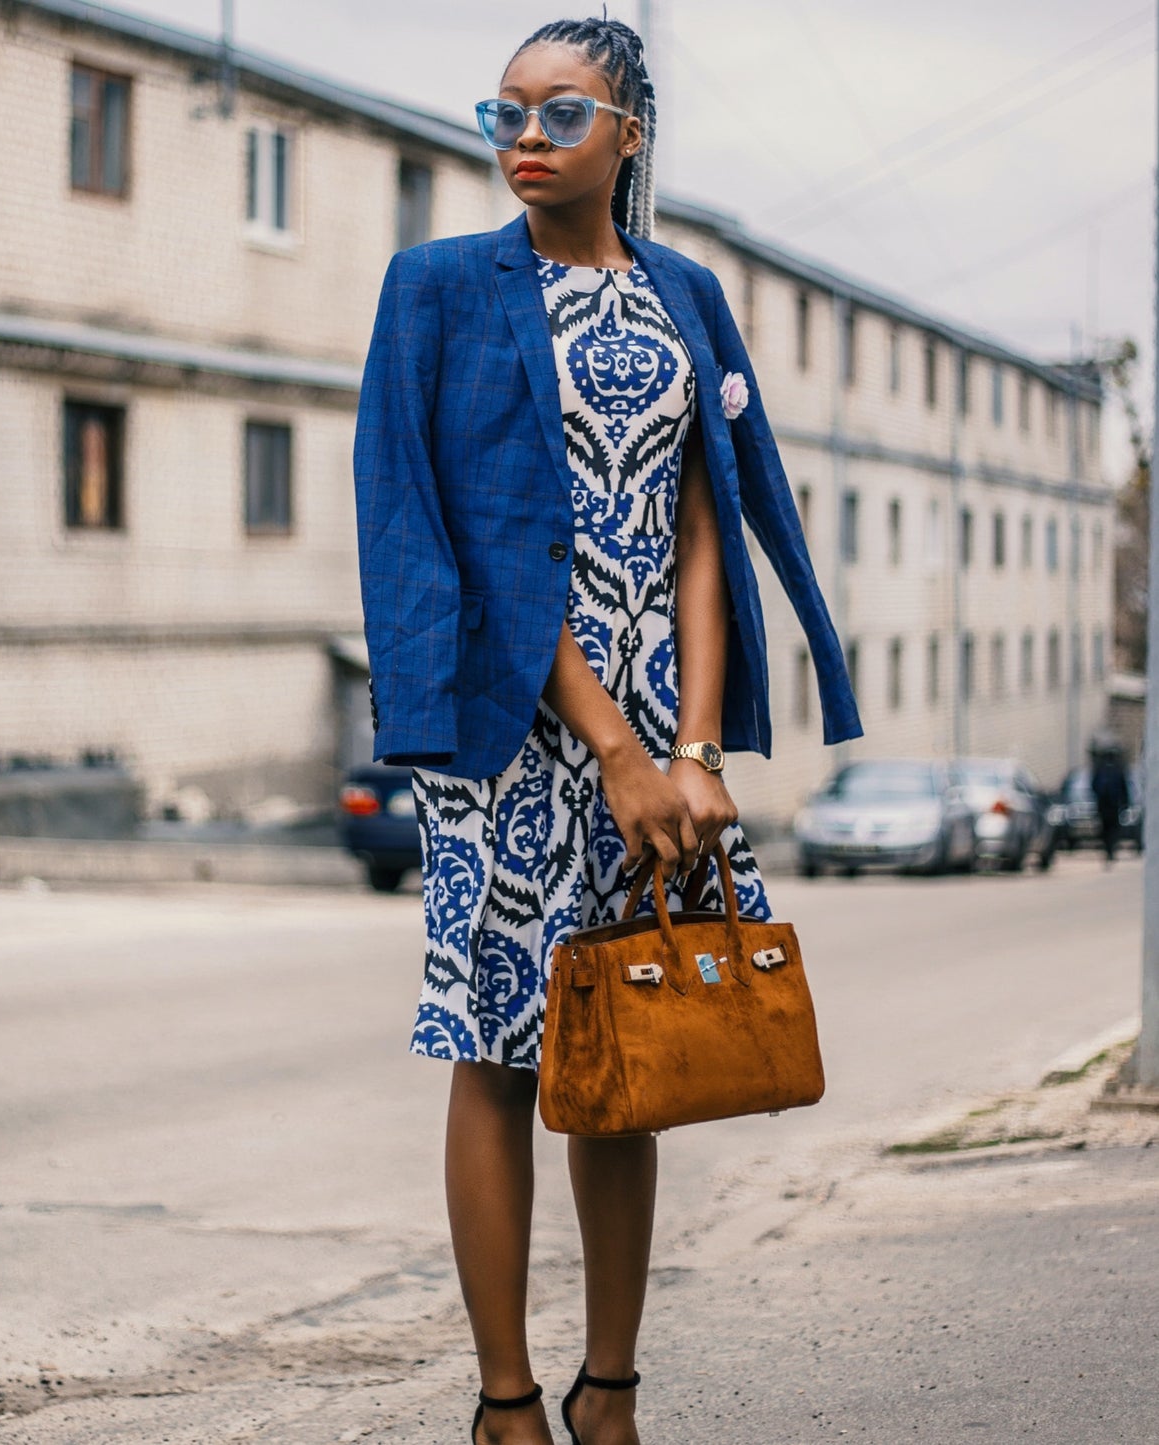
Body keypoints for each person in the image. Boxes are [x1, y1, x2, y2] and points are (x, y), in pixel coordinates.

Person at [353, 17, 861, 1444]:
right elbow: (462, 529)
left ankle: (612, 1388)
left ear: (630, 132)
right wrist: (615, 751)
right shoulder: (440, 288)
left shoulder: (686, 293)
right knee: (502, 1044)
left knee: (631, 1035)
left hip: (659, 722)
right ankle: (506, 1399)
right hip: (513, 726)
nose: (524, 136)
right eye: (504, 110)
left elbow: (708, 521)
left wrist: (691, 749)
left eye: (561, 112)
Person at [1090, 748, 1131, 866]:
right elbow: (1124, 787)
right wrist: (1125, 802)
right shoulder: (1118, 769)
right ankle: (1111, 850)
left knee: (1105, 829)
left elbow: (1093, 785)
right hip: (1114, 805)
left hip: (1102, 805)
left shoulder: (1100, 769)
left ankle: (1107, 850)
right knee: (1113, 829)